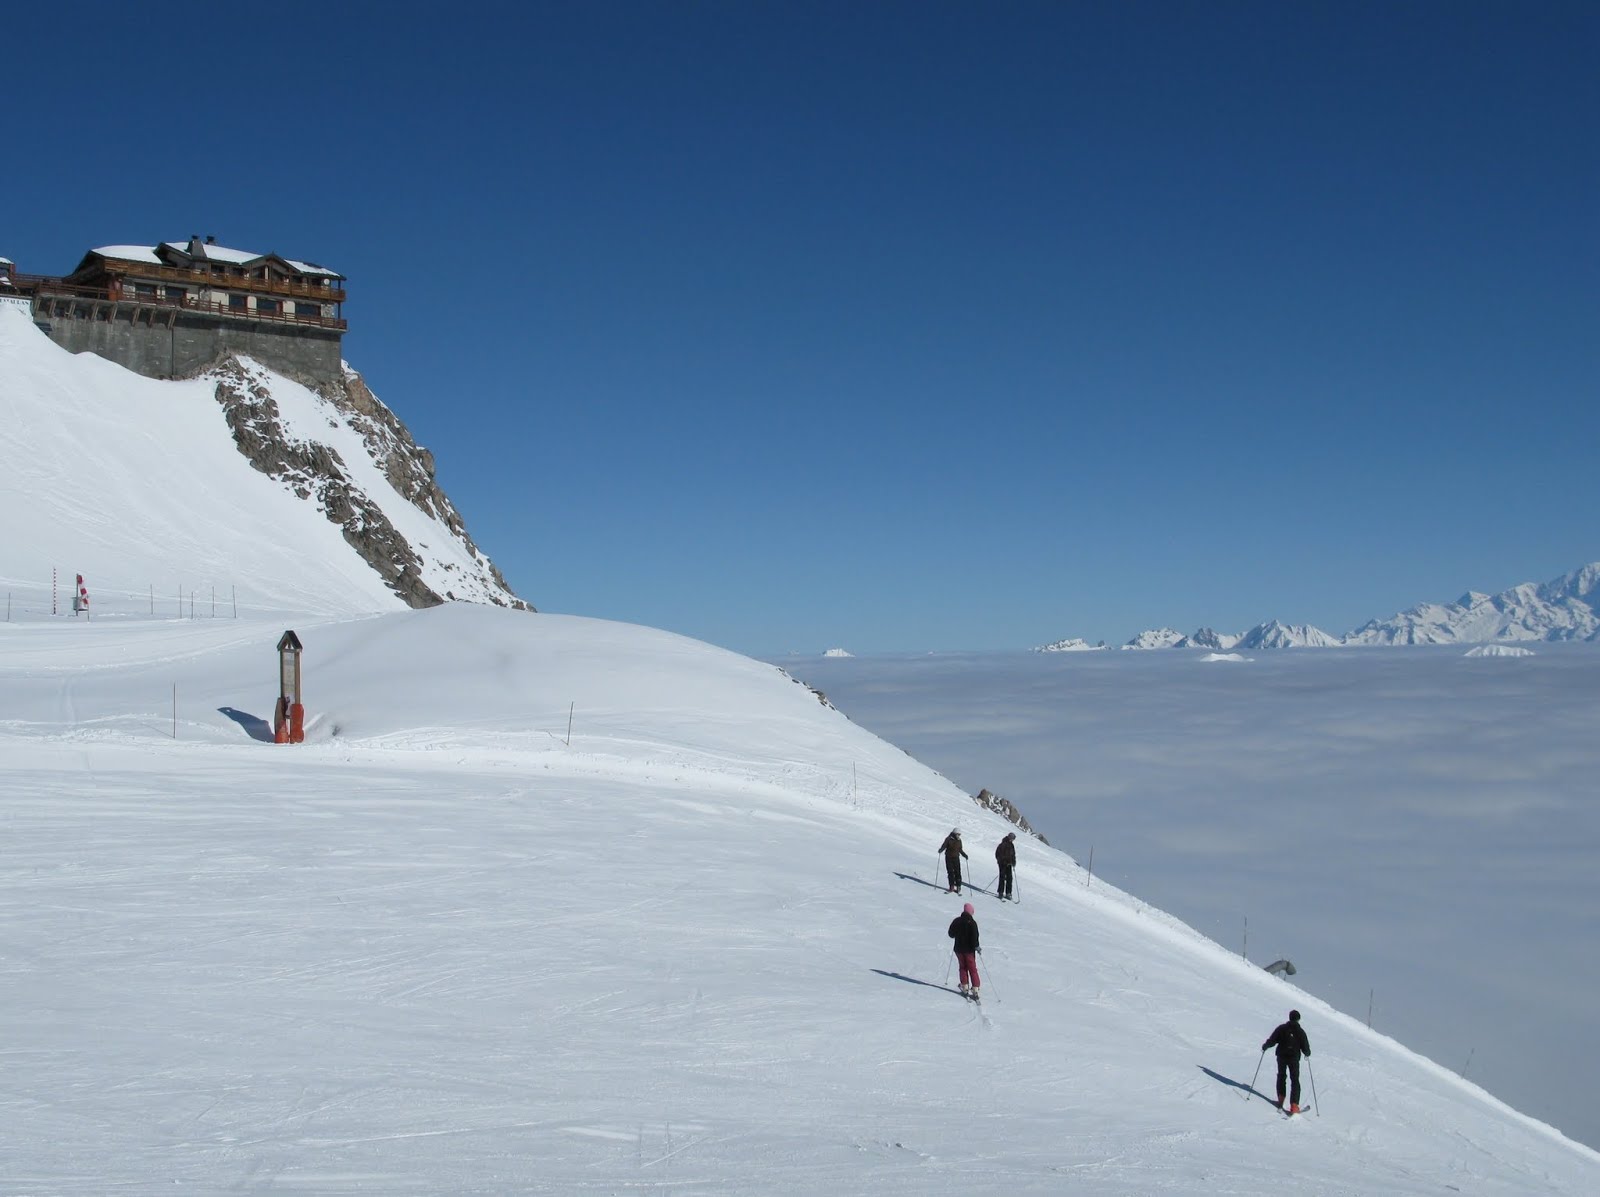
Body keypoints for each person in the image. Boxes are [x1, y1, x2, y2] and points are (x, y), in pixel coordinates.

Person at [1261, 1009, 1312, 1113]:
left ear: (1289, 1017)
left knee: (1281, 1076)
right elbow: (1306, 1048)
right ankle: (1294, 1105)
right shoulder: (1300, 1032)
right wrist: (1307, 1053)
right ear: (1298, 1019)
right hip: (1294, 1058)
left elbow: (1272, 1040)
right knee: (1295, 1080)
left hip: (1281, 1056)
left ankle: (1280, 1099)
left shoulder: (1282, 1028)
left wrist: (1265, 1046)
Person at [948, 902, 982, 1000]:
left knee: (962, 967)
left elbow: (951, 934)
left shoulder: (957, 921)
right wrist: (977, 946)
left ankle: (965, 986)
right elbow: (975, 936)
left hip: (958, 949)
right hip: (969, 951)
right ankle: (975, 988)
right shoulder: (972, 923)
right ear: (971, 912)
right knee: (972, 968)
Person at [938, 829, 968, 893]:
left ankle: (958, 886)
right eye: (958, 834)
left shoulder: (959, 840)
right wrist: (941, 850)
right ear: (954, 833)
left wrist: (964, 855)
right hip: (948, 858)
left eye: (959, 835)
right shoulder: (948, 839)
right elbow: (944, 846)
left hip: (956, 858)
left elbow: (960, 849)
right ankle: (951, 886)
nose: (959, 836)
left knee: (958, 872)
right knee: (950, 872)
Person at [996, 832, 1017, 900]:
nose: (1012, 840)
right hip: (1003, 864)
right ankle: (1000, 892)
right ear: (1009, 837)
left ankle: (1008, 893)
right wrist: (1003, 861)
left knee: (1009, 878)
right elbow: (998, 854)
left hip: (1009, 864)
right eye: (1012, 838)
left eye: (1013, 839)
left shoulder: (1012, 845)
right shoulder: (1003, 844)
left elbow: (1013, 855)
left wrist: (1013, 862)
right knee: (1002, 877)